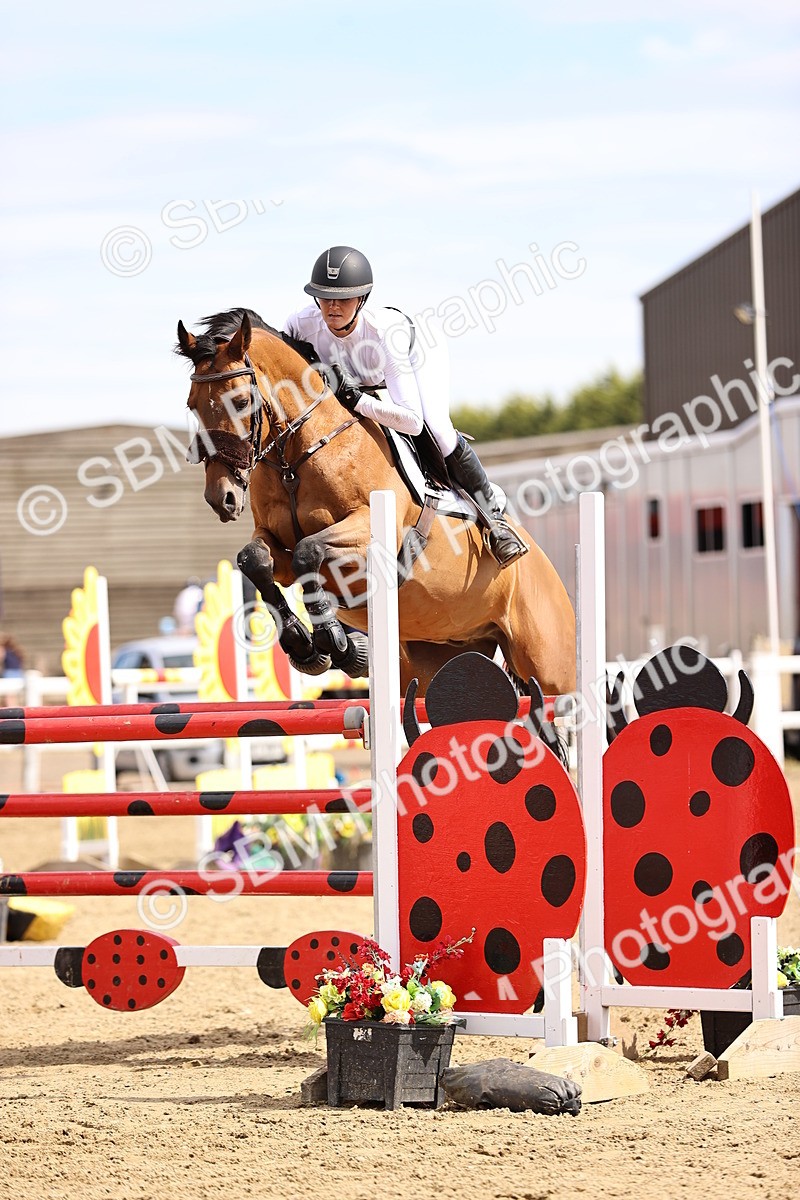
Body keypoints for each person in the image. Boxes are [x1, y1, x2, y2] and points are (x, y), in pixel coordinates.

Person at [283, 246, 527, 568]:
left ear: (362, 299)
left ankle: (496, 521)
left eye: (343, 298)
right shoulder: (299, 324)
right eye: (325, 297)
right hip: (357, 380)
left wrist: (357, 400)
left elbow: (412, 422)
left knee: (437, 428)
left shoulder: (384, 333)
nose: (332, 306)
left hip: (417, 352)